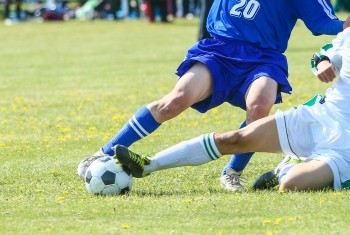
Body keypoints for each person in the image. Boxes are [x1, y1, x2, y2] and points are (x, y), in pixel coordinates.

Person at [77, 0, 350, 192]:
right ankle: (103, 153)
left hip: (264, 58)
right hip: (220, 49)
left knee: (258, 106)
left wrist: (344, 30)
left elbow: (325, 22)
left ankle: (232, 173)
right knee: (175, 100)